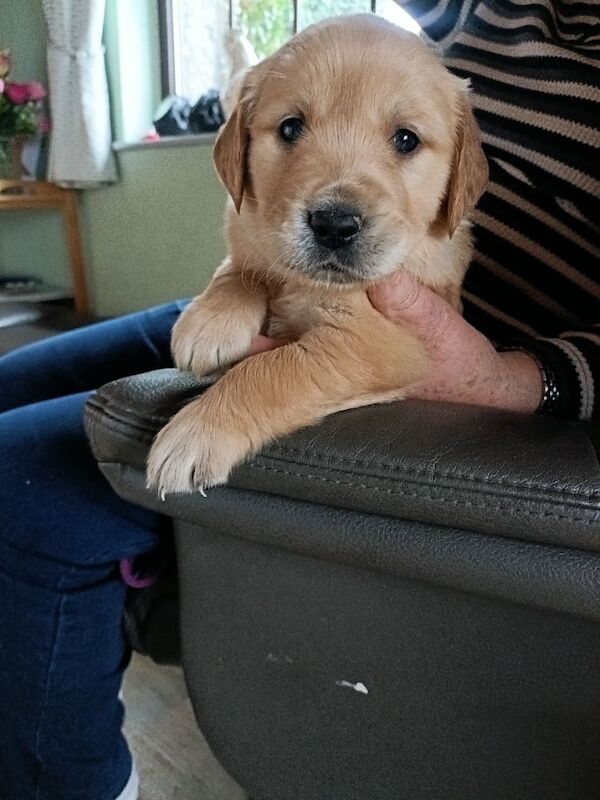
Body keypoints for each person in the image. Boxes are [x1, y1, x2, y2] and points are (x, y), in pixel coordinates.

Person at [0, 1, 597, 798]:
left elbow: (379, 344)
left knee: (21, 479)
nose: (336, 192)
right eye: (290, 130)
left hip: (448, 363)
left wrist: (535, 378)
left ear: (458, 176)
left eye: (406, 142)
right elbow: (255, 237)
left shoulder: (431, 216)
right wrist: (236, 281)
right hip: (273, 286)